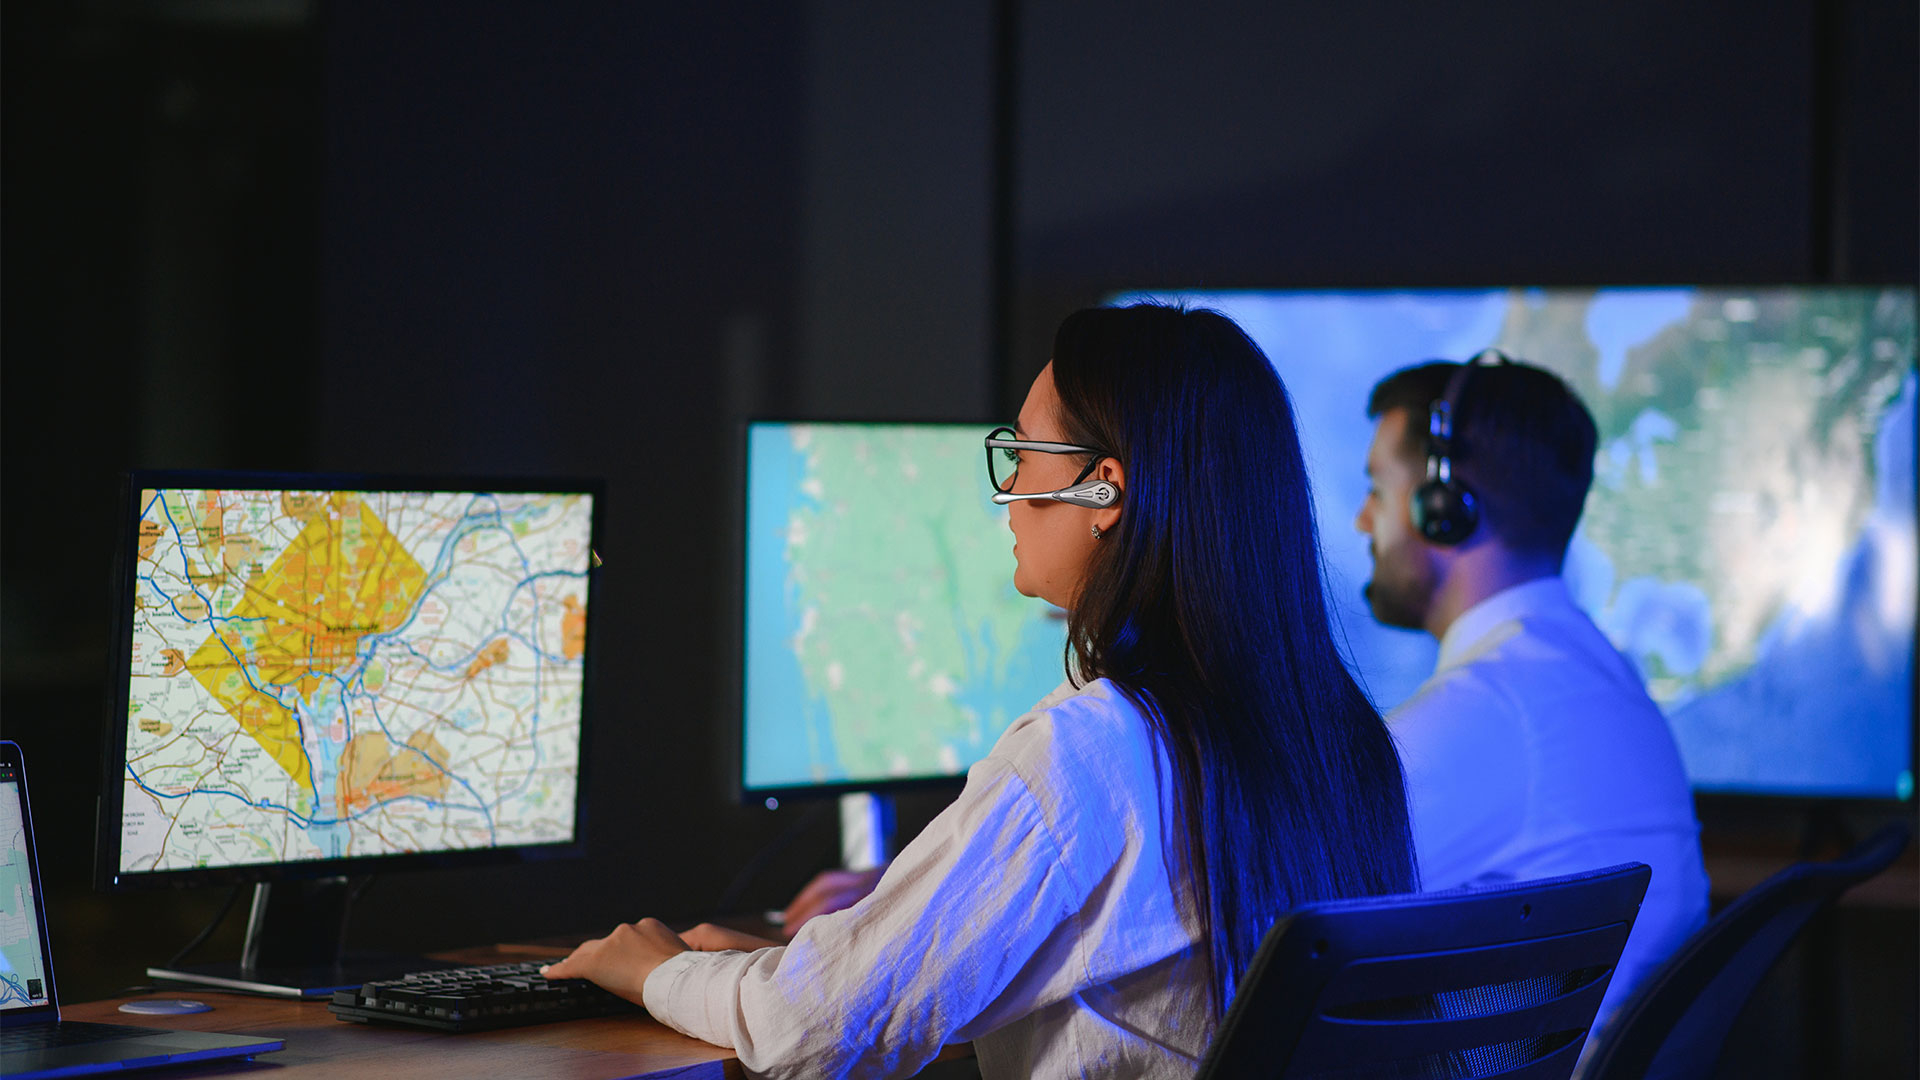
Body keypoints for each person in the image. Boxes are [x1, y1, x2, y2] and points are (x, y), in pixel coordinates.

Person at [545, 304, 1418, 1078]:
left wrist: (655, 970)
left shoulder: (1087, 755)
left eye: (1023, 454)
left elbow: (806, 1033)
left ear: (1101, 490)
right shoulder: (1342, 741)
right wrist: (825, 964)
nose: (1006, 494)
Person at [1354, 353, 1710, 1032]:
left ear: (1444, 508)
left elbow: (1279, 899)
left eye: (1376, 488)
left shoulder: (1491, 710)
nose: (1362, 522)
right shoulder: (1601, 675)